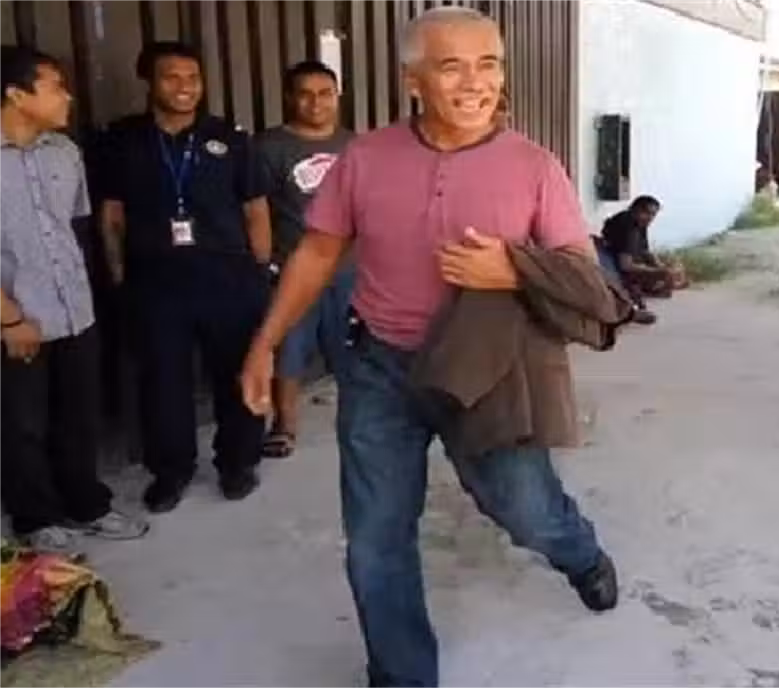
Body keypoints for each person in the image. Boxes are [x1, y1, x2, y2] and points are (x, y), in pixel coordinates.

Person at [239, 8, 618, 687]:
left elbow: (586, 279)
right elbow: (318, 252)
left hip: (489, 372)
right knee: (375, 539)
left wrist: (513, 270)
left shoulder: (534, 166)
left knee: (525, 511)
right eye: (452, 67)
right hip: (378, 367)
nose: (476, 83)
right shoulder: (366, 158)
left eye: (489, 65)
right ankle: (401, 676)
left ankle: (581, 555)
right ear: (413, 80)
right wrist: (265, 343)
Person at [99, 42, 272, 512]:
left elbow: (256, 209)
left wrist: (261, 273)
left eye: (193, 78)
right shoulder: (123, 140)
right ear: (149, 82)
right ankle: (171, 471)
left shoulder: (229, 138)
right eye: (172, 77)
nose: (185, 88)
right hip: (156, 281)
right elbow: (112, 215)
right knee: (163, 383)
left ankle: (238, 463)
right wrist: (120, 278)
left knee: (237, 376)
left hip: (228, 279)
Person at [0, 46, 148, 551]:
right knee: (22, 425)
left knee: (79, 418)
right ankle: (35, 519)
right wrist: (9, 318)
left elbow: (74, 229)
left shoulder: (65, 152)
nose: (68, 96)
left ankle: (87, 505)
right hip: (16, 318)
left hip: (74, 310)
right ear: (16, 95)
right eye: (55, 86)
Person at [256, 61, 356, 459]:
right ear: (289, 98)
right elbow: (256, 209)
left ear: (337, 97)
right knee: (288, 348)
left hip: (349, 269)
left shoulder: (355, 146)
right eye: (305, 94)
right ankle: (284, 425)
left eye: (325, 94)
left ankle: (364, 418)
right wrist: (265, 263)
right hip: (293, 268)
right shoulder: (268, 147)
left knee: (354, 350)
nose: (316, 103)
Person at [600, 196, 687, 324]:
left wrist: (662, 267)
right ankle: (631, 308)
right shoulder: (627, 226)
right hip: (611, 264)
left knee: (663, 276)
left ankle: (647, 291)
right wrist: (660, 272)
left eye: (653, 215)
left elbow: (645, 251)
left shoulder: (640, 224)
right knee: (633, 288)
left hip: (624, 262)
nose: (650, 218)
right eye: (646, 213)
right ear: (634, 209)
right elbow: (625, 265)